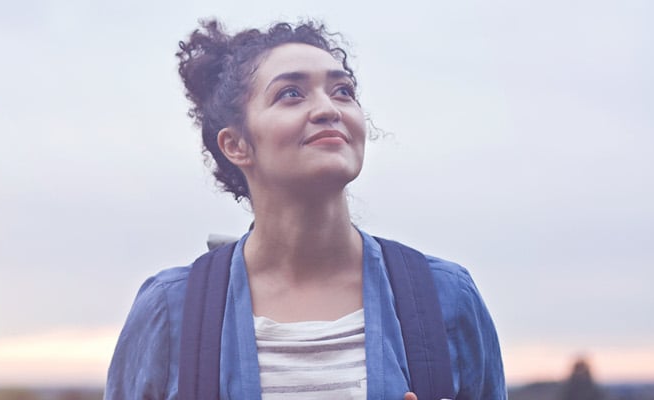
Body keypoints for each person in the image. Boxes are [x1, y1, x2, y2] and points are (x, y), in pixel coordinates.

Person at [105, 19, 505, 400]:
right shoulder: (170, 309)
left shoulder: (447, 296)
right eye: (291, 94)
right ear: (236, 145)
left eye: (342, 91)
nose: (329, 108)